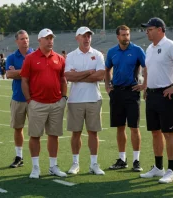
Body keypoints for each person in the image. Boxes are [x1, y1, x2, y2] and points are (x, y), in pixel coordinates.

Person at [139, 17, 173, 184]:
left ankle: (171, 170)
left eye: (150, 28)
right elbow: (148, 69)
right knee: (155, 132)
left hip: (166, 94)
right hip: (151, 94)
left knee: (168, 132)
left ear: (160, 29)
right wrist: (146, 87)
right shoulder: (150, 49)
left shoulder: (171, 46)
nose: (147, 31)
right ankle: (158, 167)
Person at [20, 28, 68, 179]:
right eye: (47, 38)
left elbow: (63, 79)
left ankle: (53, 166)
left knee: (54, 135)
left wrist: (64, 98)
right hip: (37, 103)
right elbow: (24, 80)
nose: (50, 41)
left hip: (56, 103)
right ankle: (35, 167)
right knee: (35, 136)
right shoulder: (30, 58)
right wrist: (29, 100)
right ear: (40, 40)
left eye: (51, 38)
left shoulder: (59, 58)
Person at [105, 25, 146, 172]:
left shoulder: (137, 50)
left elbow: (146, 66)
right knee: (120, 127)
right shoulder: (112, 52)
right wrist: (107, 86)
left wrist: (144, 85)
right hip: (116, 93)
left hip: (132, 92)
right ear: (118, 37)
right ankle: (122, 159)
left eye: (128, 34)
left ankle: (136, 160)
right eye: (123, 35)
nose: (126, 37)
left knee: (134, 127)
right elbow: (107, 69)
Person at [65, 27, 105, 175]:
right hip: (75, 99)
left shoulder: (97, 54)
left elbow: (100, 76)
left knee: (93, 133)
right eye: (84, 36)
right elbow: (69, 76)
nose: (87, 38)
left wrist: (79, 75)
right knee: (76, 133)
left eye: (89, 36)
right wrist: (89, 72)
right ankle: (75, 163)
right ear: (77, 38)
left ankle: (94, 164)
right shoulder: (70, 56)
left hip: (94, 98)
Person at [6, 30, 34, 168]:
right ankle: (19, 156)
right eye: (22, 39)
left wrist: (19, 71)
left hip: (34, 97)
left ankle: (36, 158)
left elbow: (36, 73)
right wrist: (27, 71)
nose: (25, 41)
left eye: (27, 38)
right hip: (18, 97)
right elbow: (9, 74)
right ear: (17, 41)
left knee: (36, 130)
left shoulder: (35, 55)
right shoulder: (12, 57)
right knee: (18, 128)